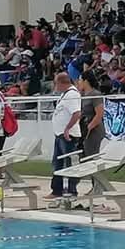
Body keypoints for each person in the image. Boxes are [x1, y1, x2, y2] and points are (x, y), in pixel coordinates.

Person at [45, 72, 82, 202]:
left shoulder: (72, 94)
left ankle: (72, 190)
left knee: (70, 164)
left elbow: (76, 113)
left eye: (56, 83)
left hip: (68, 135)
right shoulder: (64, 95)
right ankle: (57, 190)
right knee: (58, 163)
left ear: (61, 83)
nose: (54, 86)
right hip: (60, 134)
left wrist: (67, 128)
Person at [78, 71, 105, 159]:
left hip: (94, 130)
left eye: (80, 80)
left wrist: (89, 127)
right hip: (84, 128)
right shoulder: (82, 95)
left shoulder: (95, 95)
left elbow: (99, 114)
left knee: (91, 156)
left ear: (85, 81)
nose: (79, 82)